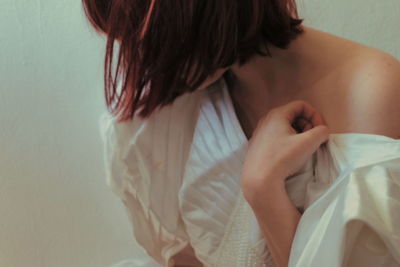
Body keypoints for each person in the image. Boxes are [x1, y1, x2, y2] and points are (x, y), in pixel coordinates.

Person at [83, 0, 400, 266]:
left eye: (158, 39)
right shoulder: (173, 108)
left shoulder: (369, 92)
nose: (145, 62)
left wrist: (263, 191)